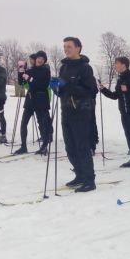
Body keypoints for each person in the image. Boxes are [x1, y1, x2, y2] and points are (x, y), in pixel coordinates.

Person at [50, 37, 98, 192]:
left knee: (81, 146)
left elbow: (91, 91)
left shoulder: (85, 68)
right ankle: (80, 175)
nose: (66, 49)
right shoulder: (63, 67)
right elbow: (63, 92)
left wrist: (68, 86)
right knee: (70, 147)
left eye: (69, 46)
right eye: (64, 46)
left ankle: (89, 180)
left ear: (78, 48)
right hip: (67, 111)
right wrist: (56, 88)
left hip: (81, 111)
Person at [99, 56, 130, 168]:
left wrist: (126, 91)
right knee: (128, 134)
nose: (115, 65)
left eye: (117, 63)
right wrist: (103, 89)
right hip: (124, 111)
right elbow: (115, 96)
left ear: (123, 65)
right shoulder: (120, 78)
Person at [14, 51, 52, 155]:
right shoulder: (30, 70)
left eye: (42, 59)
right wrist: (21, 71)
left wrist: (30, 79)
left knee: (43, 123)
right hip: (30, 99)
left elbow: (42, 85)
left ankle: (44, 146)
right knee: (23, 123)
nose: (40, 60)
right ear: (35, 59)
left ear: (44, 61)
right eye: (38, 58)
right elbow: (21, 83)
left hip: (41, 99)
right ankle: (23, 146)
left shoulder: (46, 71)